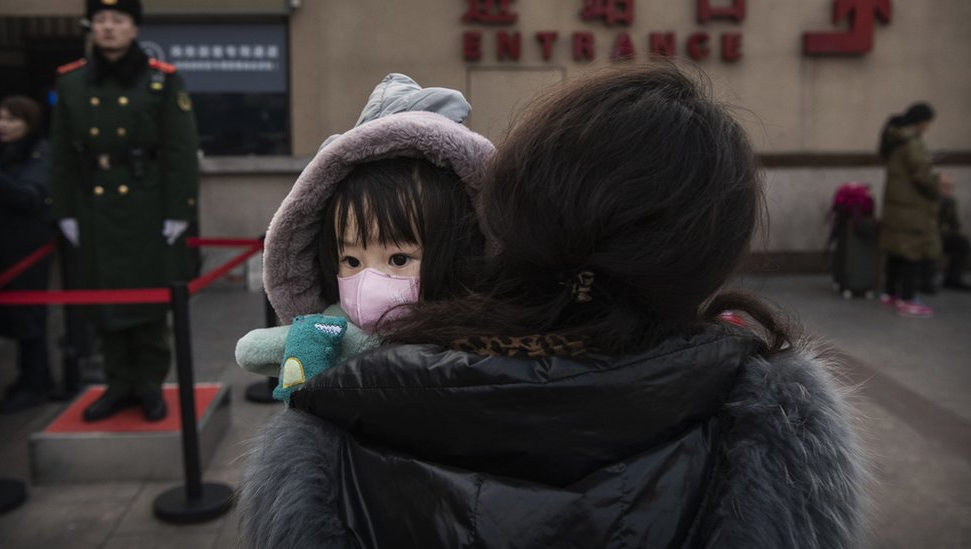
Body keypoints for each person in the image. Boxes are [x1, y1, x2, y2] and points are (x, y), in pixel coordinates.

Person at [239, 64, 868, 548]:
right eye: (351, 259)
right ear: (709, 253)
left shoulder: (334, 414)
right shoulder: (762, 430)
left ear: (500, 215)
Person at [234, 73, 493, 403]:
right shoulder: (324, 332)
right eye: (352, 261)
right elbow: (252, 353)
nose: (369, 284)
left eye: (398, 259)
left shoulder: (486, 342)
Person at [50, 0, 199, 421]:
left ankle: (150, 384)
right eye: (101, 20)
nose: (109, 28)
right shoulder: (71, 81)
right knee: (105, 299)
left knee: (150, 300)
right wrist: (63, 208)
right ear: (91, 27)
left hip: (146, 204)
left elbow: (179, 149)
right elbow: (60, 150)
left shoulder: (161, 80)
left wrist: (179, 209)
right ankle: (118, 385)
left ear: (134, 28)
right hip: (93, 204)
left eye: (118, 20)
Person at [0, 96, 54, 413]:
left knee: (28, 322)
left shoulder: (40, 152)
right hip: (3, 252)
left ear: (29, 123)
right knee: (12, 321)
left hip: (25, 252)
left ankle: (36, 383)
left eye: (12, 119)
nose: (3, 125)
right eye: (0, 118)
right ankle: (28, 379)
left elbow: (30, 197)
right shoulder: (3, 152)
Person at [876, 102, 951, 317]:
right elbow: (921, 177)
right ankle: (908, 299)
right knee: (911, 252)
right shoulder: (912, 143)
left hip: (897, 206)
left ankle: (890, 293)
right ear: (921, 122)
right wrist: (938, 184)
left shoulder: (895, 139)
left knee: (897, 251)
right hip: (912, 207)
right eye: (928, 123)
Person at [920, 177, 970, 292]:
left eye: (950, 186)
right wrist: (940, 202)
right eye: (944, 186)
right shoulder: (928, 198)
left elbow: (955, 225)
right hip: (926, 234)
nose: (948, 189)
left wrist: (949, 204)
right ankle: (925, 280)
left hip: (939, 235)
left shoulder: (950, 201)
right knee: (931, 243)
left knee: (962, 242)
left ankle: (953, 279)